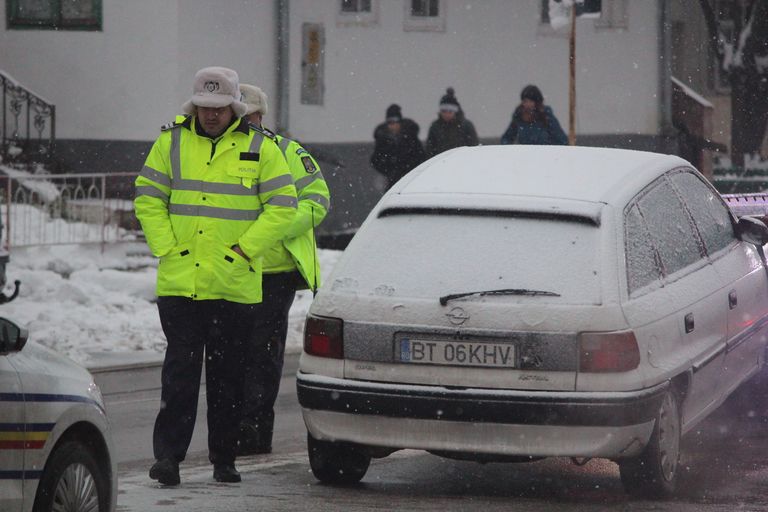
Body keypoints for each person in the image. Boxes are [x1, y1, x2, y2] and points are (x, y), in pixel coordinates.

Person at [134, 67, 297, 485]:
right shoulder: (170, 142)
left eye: (219, 108)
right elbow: (149, 198)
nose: (210, 115)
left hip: (233, 284)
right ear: (194, 106)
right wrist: (167, 246)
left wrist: (245, 249)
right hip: (181, 283)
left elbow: (283, 206)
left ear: (234, 108)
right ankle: (168, 458)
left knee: (228, 379)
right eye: (204, 107)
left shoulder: (262, 148)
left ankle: (224, 459)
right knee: (180, 376)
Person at [236, 83, 330, 456]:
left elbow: (317, 201)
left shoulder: (289, 153)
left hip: (273, 274)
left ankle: (254, 429)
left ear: (262, 116)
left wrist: (275, 226)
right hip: (233, 269)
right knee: (231, 352)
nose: (244, 124)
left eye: (249, 117)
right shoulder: (220, 154)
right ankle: (232, 427)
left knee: (262, 352)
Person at [370, 104, 425, 190]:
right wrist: (389, 171)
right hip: (392, 181)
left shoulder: (410, 137)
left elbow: (420, 156)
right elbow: (375, 160)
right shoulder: (382, 140)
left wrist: (409, 170)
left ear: (400, 122)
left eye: (395, 121)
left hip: (410, 179)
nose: (392, 125)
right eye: (389, 122)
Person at [500, 85, 568, 145]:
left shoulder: (546, 117)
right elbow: (506, 138)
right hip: (524, 157)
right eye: (525, 101)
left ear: (537, 102)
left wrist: (549, 151)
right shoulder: (518, 117)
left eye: (531, 101)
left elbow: (562, 140)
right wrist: (513, 151)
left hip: (544, 156)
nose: (528, 104)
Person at [425, 87, 479, 158]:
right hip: (441, 163)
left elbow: (473, 147)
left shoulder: (466, 126)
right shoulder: (435, 126)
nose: (447, 114)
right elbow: (430, 149)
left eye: (450, 111)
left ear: (455, 111)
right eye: (444, 111)